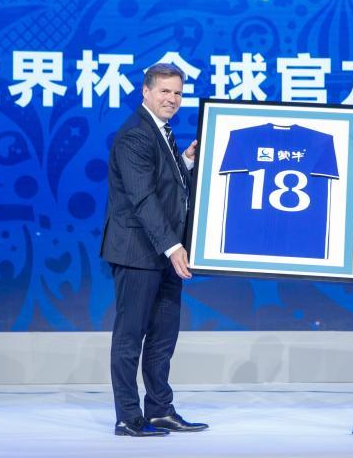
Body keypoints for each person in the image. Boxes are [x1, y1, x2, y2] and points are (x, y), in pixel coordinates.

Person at [100, 63, 208, 437]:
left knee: (163, 336)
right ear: (145, 91)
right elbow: (143, 198)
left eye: (178, 93)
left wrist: (187, 162)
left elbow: (167, 186)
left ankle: (159, 409)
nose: (172, 99)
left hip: (163, 254)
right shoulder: (135, 134)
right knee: (130, 337)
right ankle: (128, 416)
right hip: (138, 253)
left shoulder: (161, 131)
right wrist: (174, 246)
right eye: (164, 91)